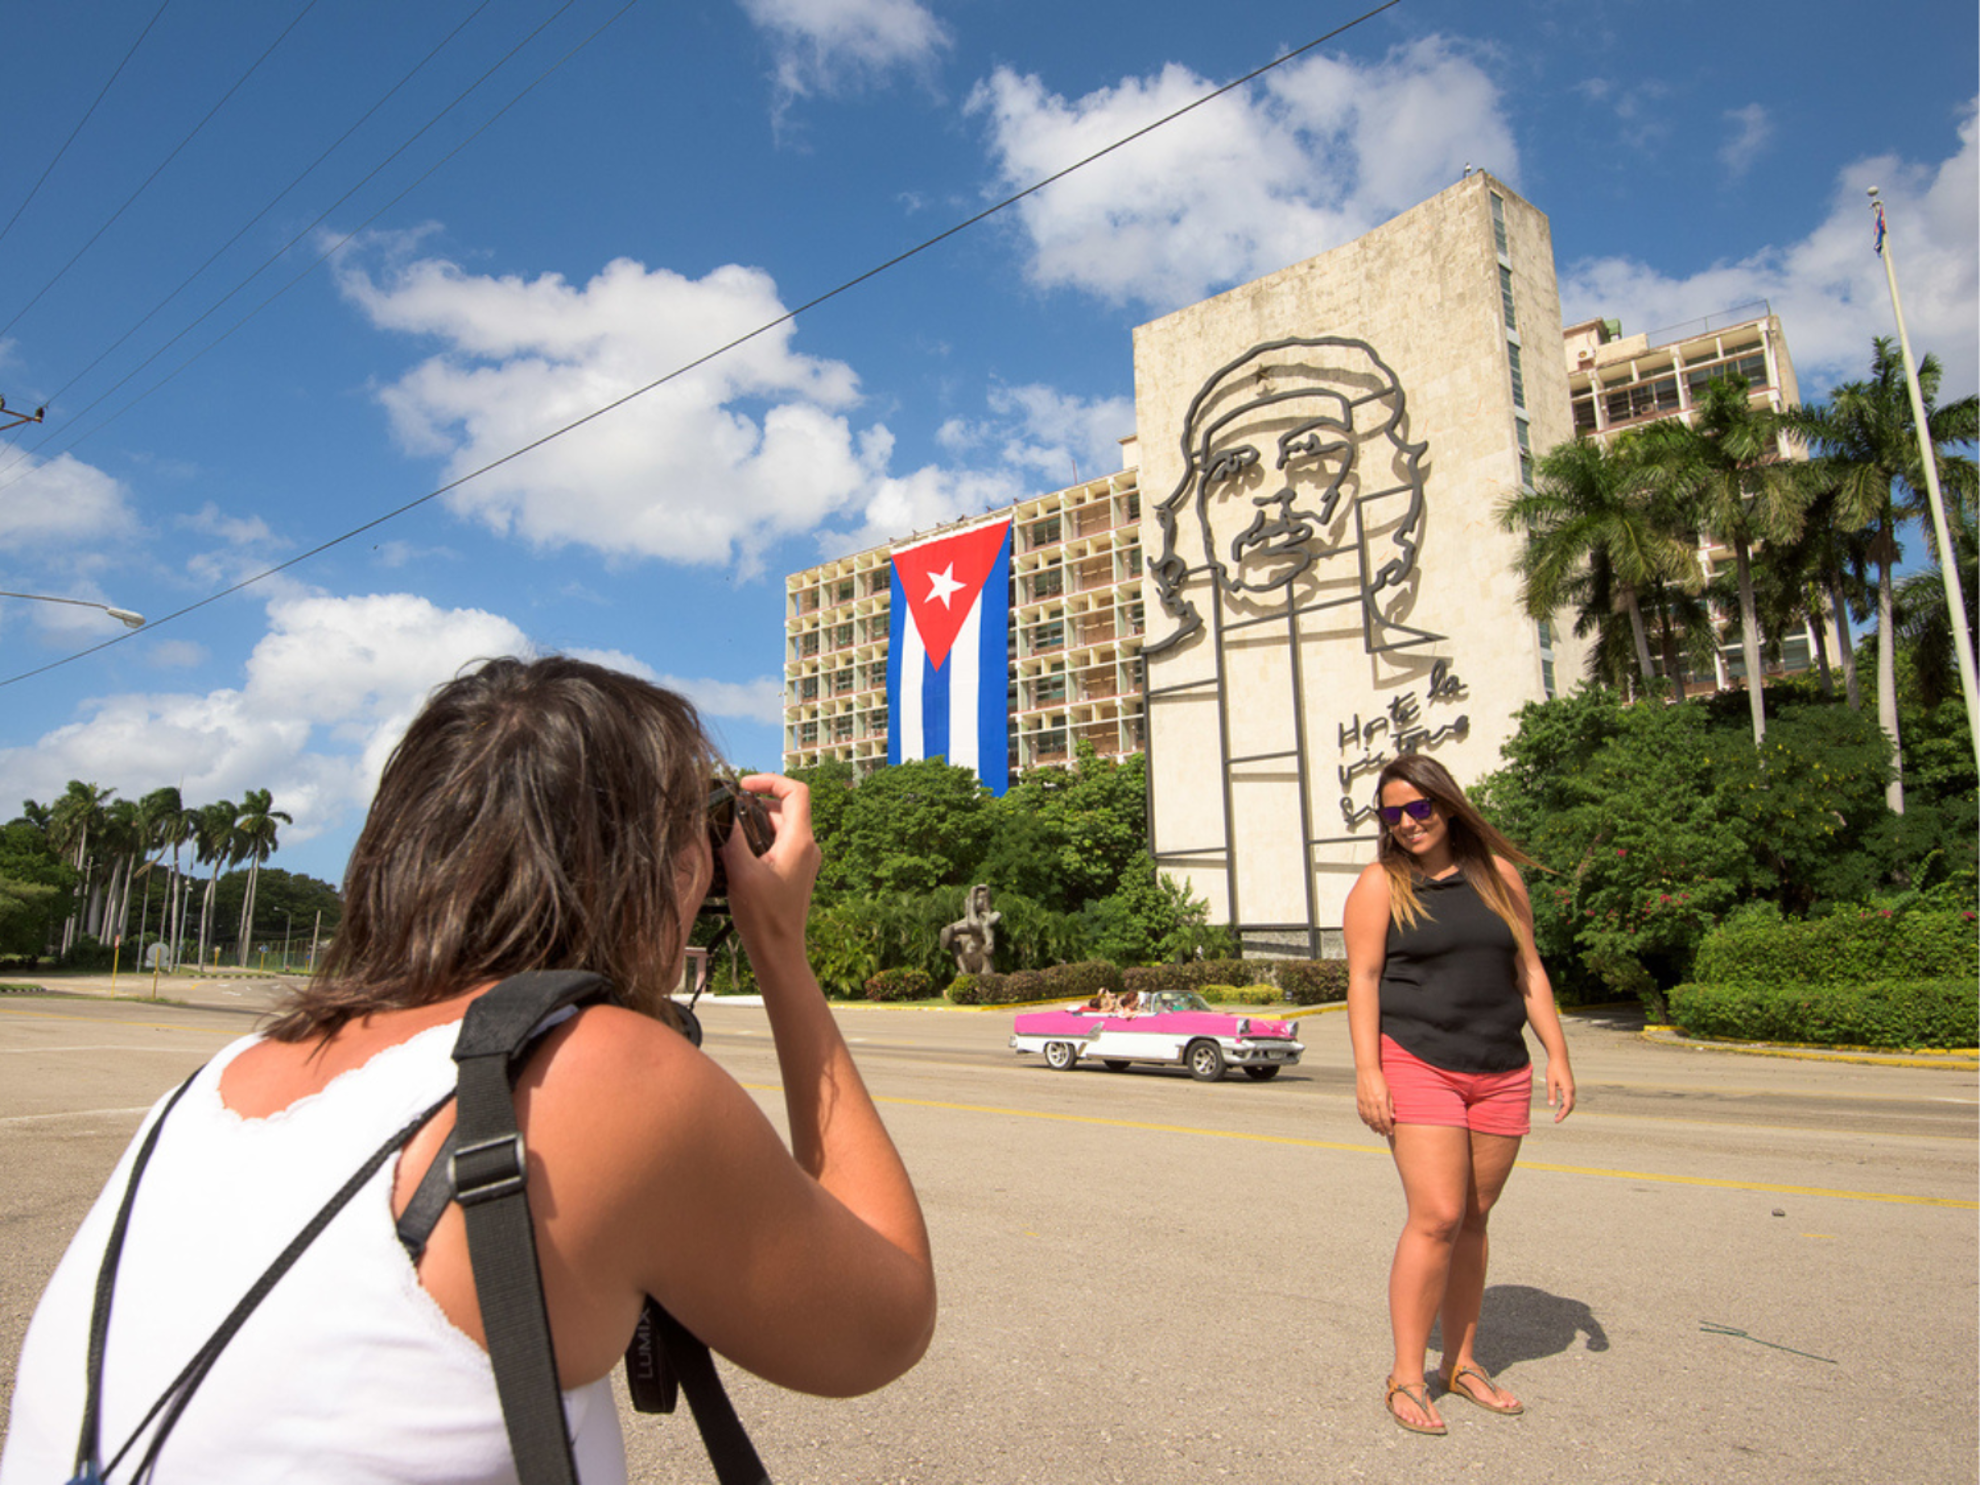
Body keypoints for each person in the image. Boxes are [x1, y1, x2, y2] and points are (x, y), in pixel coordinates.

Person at [0, 656, 937, 1484]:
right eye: (705, 826)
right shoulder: (594, 1070)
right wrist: (780, 946)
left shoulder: (221, 1079)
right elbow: (883, 1320)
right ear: (656, 862)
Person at [1343, 752, 1574, 1437]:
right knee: (1437, 1214)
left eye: (1419, 807)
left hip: (1501, 1066)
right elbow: (1362, 980)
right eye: (1394, 813)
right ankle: (1407, 1374)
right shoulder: (1381, 885)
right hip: (1418, 1061)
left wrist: (1556, 1054)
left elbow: (1529, 969)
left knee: (1474, 1216)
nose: (1409, 822)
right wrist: (1368, 1071)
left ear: (1446, 804)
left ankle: (1463, 1363)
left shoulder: (1499, 876)